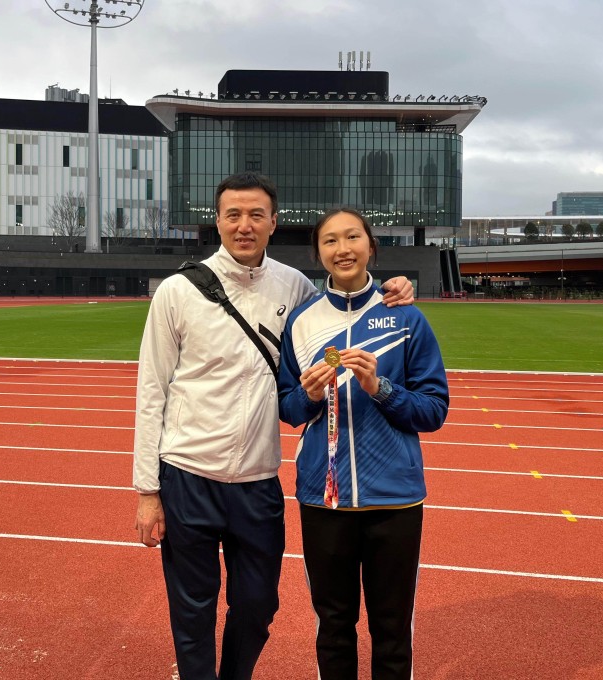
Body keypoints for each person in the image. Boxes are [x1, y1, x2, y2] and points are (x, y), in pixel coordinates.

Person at [133, 174, 415, 680]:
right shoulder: (176, 292)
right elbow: (151, 389)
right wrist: (147, 490)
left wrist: (394, 286)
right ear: (217, 220)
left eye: (256, 215)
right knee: (193, 612)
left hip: (258, 479)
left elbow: (345, 299)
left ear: (273, 222)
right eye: (233, 215)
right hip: (188, 474)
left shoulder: (295, 287)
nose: (244, 225)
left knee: (259, 608)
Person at [277, 207, 449, 680]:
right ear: (319, 254)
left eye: (353, 237)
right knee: (334, 626)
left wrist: (382, 389)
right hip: (323, 498)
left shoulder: (406, 316)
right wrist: (308, 396)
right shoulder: (302, 322)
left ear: (371, 246)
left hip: (394, 498)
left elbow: (435, 410)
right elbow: (288, 409)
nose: (342, 248)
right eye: (330, 241)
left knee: (391, 628)